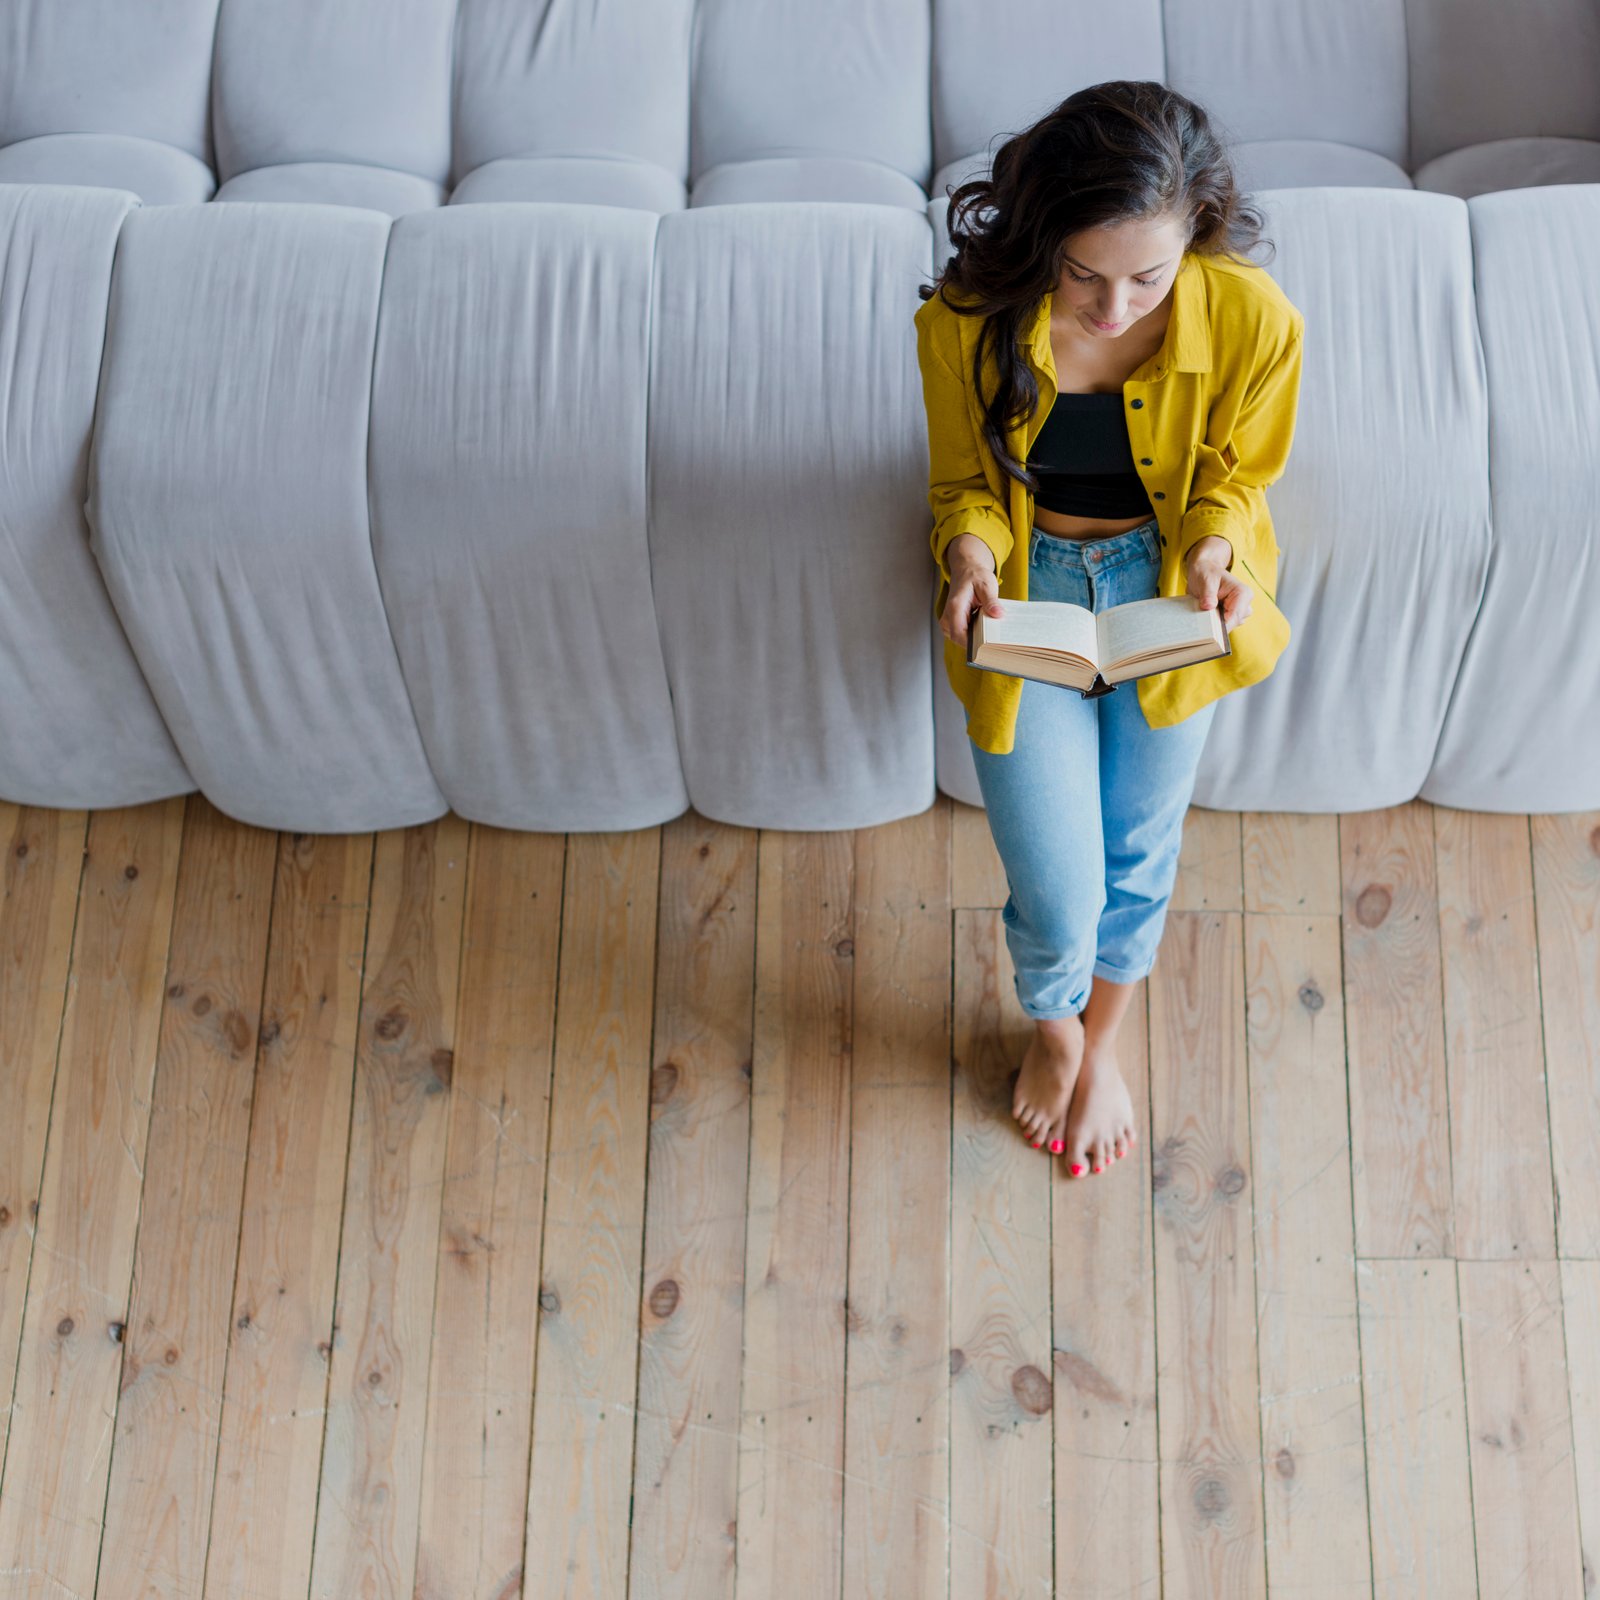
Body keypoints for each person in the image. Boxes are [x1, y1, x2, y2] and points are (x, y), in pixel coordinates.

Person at [914, 80, 1305, 1181]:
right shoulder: (964, 324)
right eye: (1083, 273)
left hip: (1165, 593)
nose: (1114, 308)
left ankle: (1101, 1043)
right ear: (1042, 237)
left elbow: (1236, 475)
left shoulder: (1252, 319)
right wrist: (971, 556)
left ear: (1195, 240)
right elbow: (960, 486)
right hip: (1029, 594)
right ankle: (1051, 1032)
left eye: (1149, 275)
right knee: (1058, 883)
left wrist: (1214, 552)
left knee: (1140, 847)